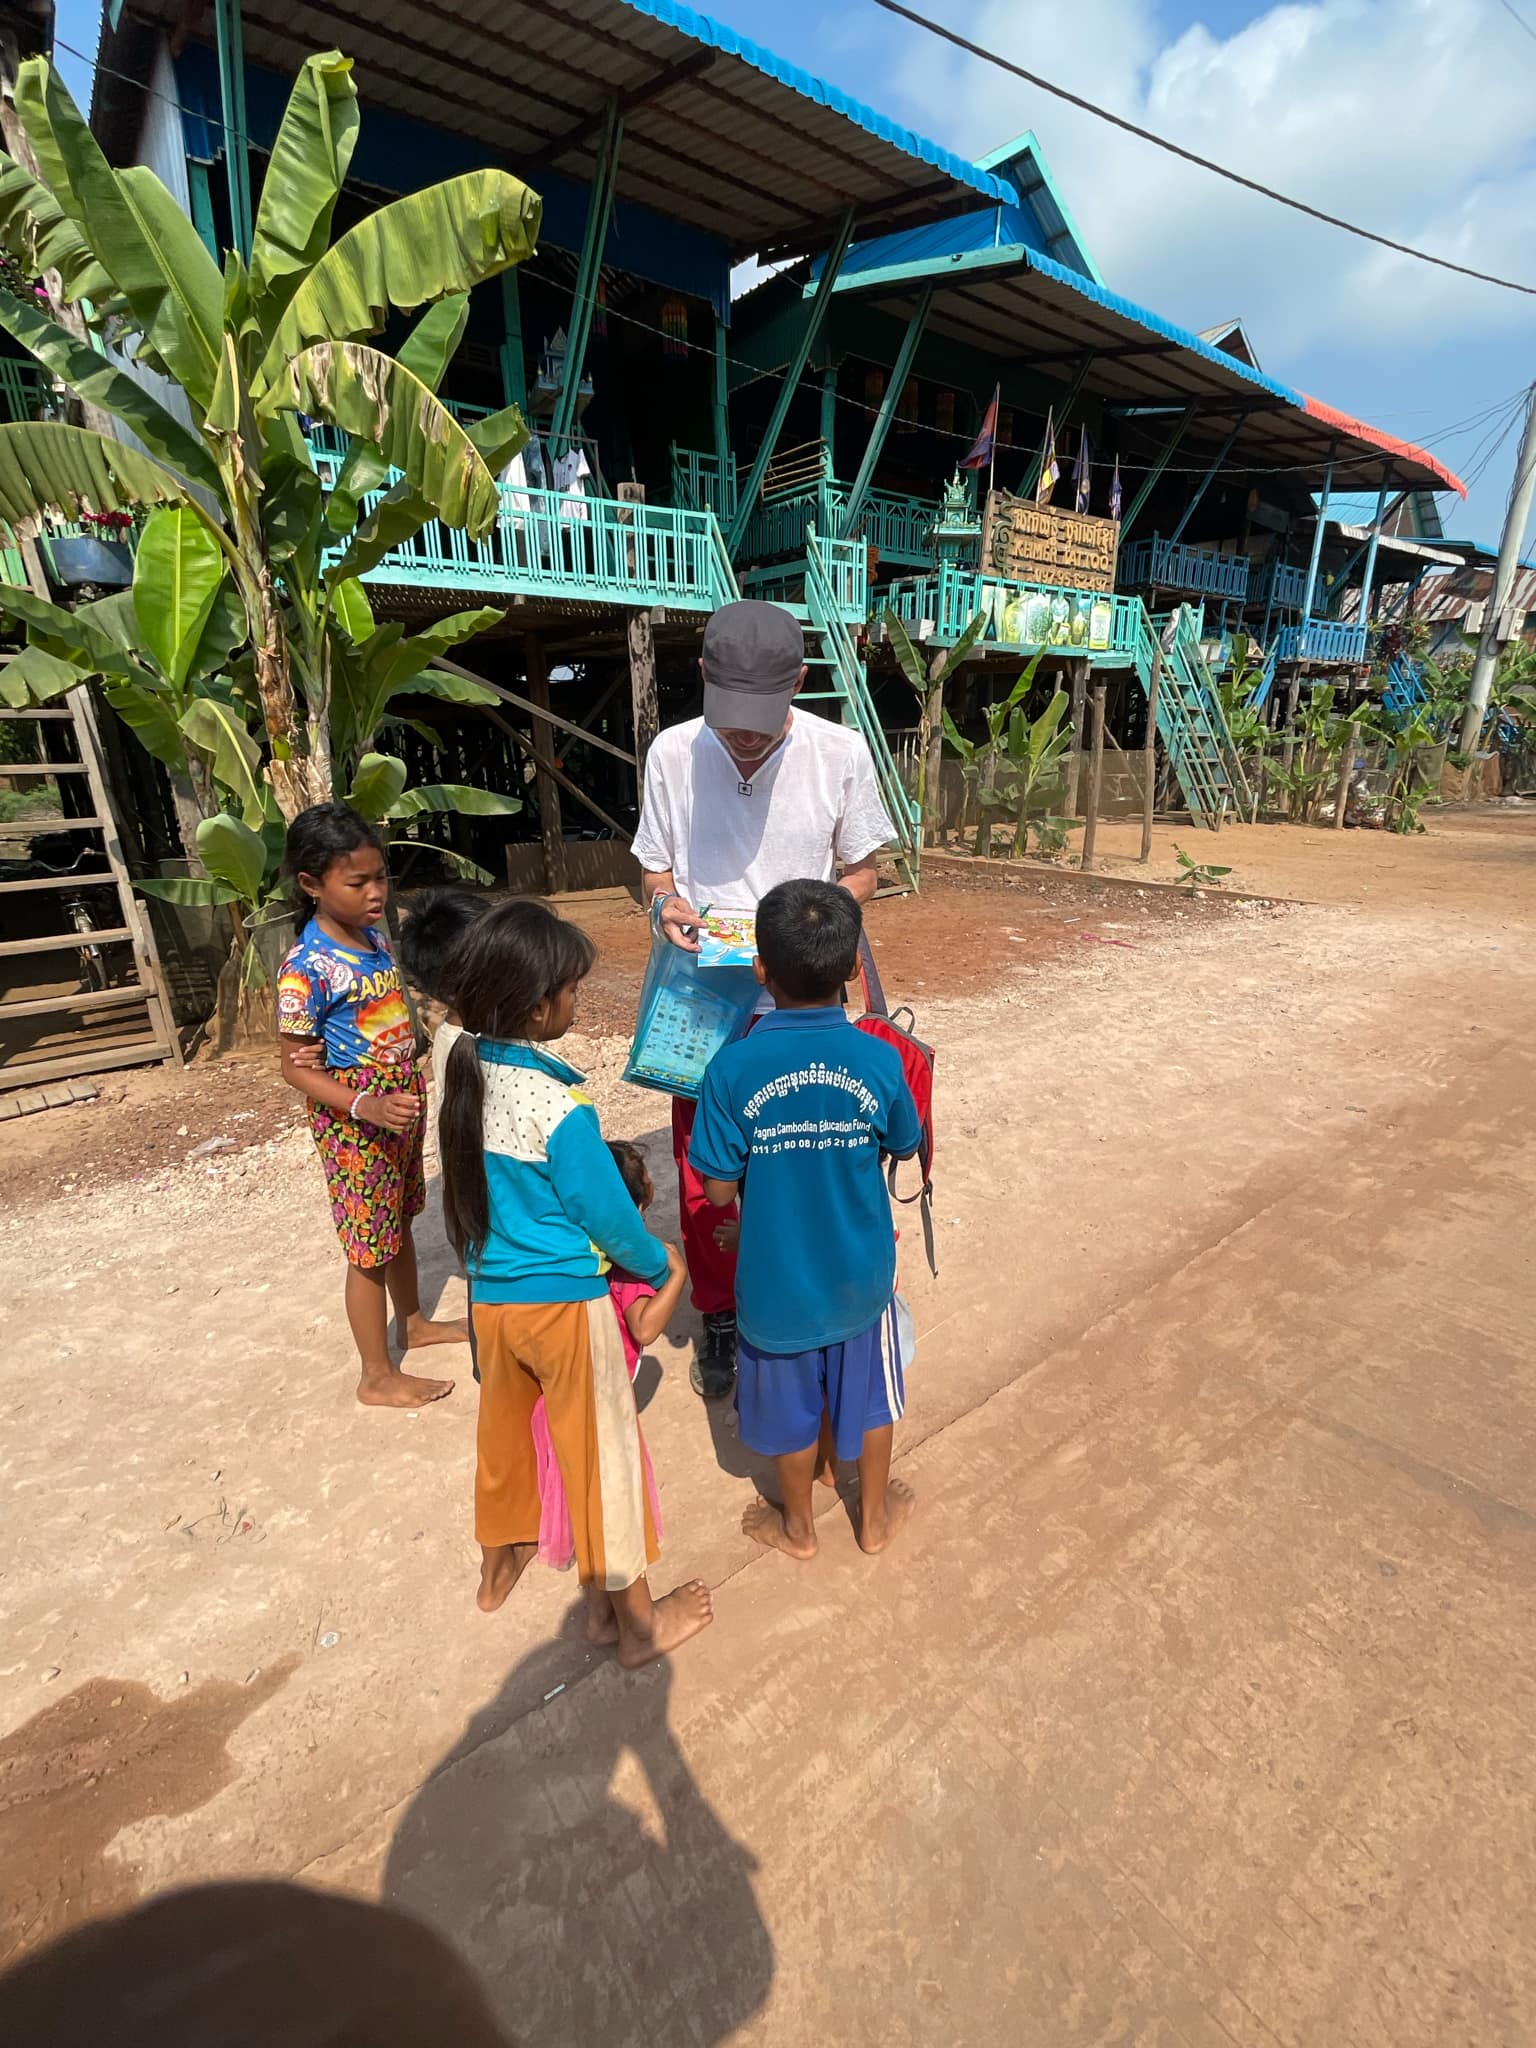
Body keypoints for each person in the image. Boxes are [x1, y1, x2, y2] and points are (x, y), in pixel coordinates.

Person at [631, 599, 896, 1399]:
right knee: (700, 1170)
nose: (743, 736)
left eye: (762, 718)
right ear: (703, 675)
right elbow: (655, 870)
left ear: (801, 683)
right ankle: (720, 1312)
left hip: (804, 1000)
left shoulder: (840, 753)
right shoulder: (674, 753)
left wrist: (810, 931)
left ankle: (817, 1300)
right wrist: (663, 906)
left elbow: (863, 868)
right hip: (702, 1004)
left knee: (807, 1157)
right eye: (730, 717)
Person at [438, 897, 712, 1665]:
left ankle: (498, 1571)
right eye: (571, 991)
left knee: (506, 1449)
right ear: (534, 1006)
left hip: (491, 1302)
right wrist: (664, 1264)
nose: (577, 1002)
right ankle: (635, 1629)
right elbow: (605, 1215)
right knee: (605, 1470)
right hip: (563, 1308)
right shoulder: (558, 1104)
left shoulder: (456, 1058)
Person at [689, 879, 922, 1562]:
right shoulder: (880, 1057)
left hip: (775, 1285)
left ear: (760, 971)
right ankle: (873, 1521)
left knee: (790, 1409)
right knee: (874, 1400)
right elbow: (905, 1144)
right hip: (860, 1277)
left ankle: (796, 1528)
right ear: (855, 968)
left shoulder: (732, 1069)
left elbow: (720, 1191)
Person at [276, 804, 466, 1411]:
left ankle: (412, 1321)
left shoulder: (375, 937)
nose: (376, 892)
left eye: (380, 877)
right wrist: (365, 1105)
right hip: (356, 1126)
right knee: (367, 1250)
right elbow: (295, 1066)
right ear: (312, 885)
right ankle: (376, 1374)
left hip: (397, 1109)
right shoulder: (305, 970)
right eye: (357, 883)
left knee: (402, 1220)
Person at [529, 1140, 686, 1571]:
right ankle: (595, 1555)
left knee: (561, 1472)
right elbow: (645, 1327)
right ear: (634, 1210)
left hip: (558, 1377)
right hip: (598, 1389)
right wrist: (677, 1275)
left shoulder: (568, 1247)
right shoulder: (631, 1262)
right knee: (603, 1486)